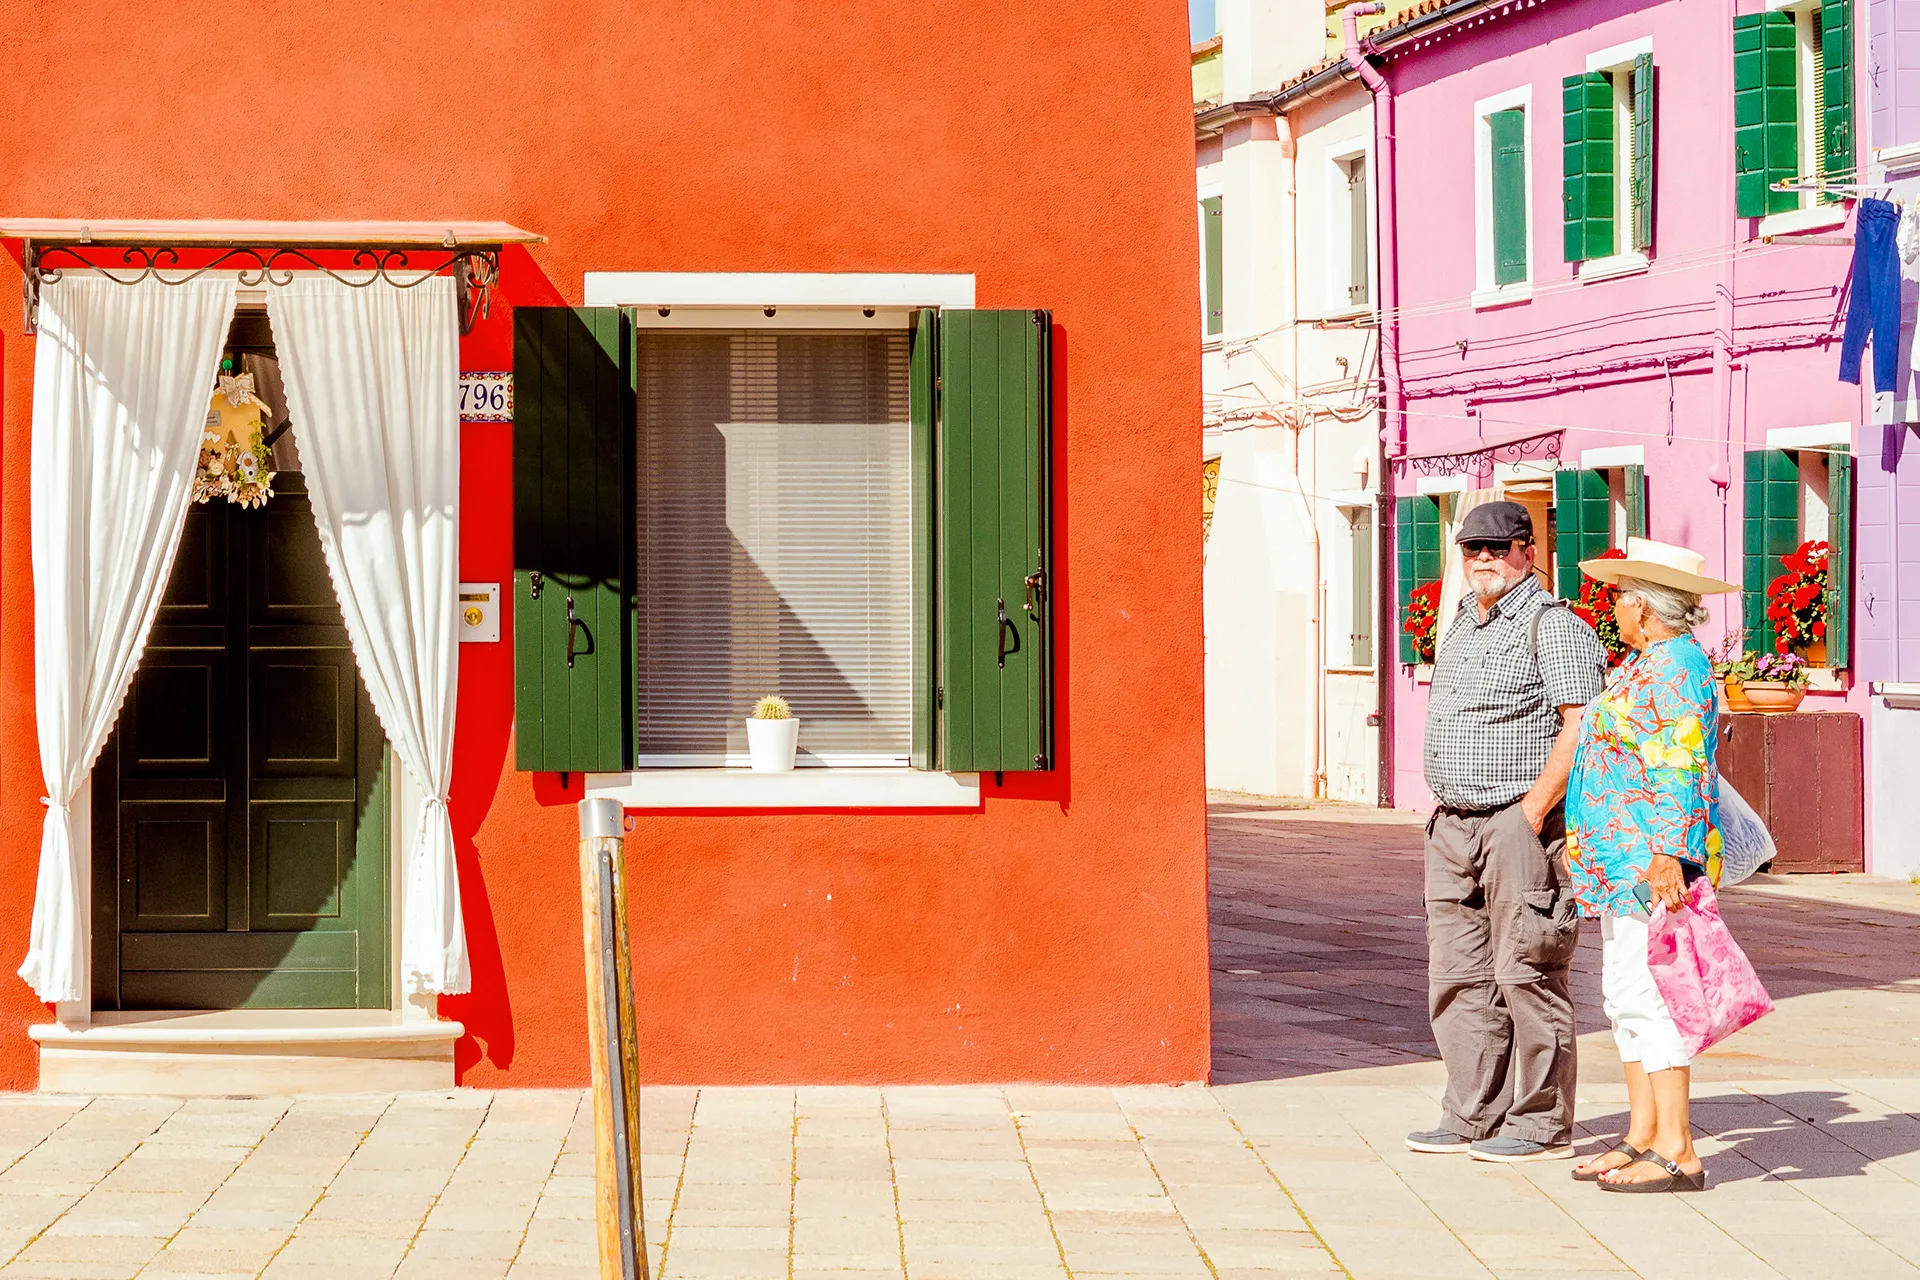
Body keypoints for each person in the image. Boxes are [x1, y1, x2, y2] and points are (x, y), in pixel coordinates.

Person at [1408, 501, 1607, 1163]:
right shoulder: (1463, 620)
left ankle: (1541, 1123)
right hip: (1452, 826)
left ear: (1527, 551)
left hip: (1516, 822)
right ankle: (1470, 1115)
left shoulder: (1553, 626)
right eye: (1473, 549)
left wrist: (1530, 814)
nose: (1484, 560)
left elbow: (1582, 725)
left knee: (1527, 972)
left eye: (1498, 548)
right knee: (1459, 978)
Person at [1563, 537, 1736, 1194]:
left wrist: (1671, 852)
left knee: (1655, 995)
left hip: (1650, 861)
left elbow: (1682, 764)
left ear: (1646, 607)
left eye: (1620, 597)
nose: (1612, 608)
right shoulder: (1648, 662)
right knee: (1624, 995)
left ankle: (1678, 1148)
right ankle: (1642, 1133)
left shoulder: (1676, 668)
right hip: (1618, 861)